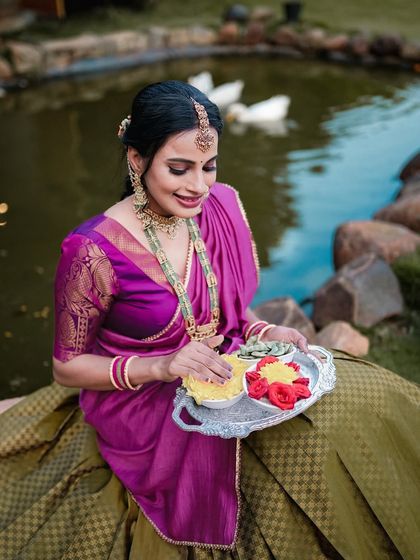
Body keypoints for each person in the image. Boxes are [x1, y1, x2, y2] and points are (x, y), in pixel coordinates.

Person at [0, 80, 419, 560]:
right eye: (179, 169)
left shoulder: (220, 206)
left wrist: (264, 331)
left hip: (231, 368)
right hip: (147, 400)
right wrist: (163, 366)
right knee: (304, 449)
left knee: (363, 404)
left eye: (209, 166)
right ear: (137, 159)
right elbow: (67, 369)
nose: (198, 186)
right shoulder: (92, 251)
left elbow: (228, 314)